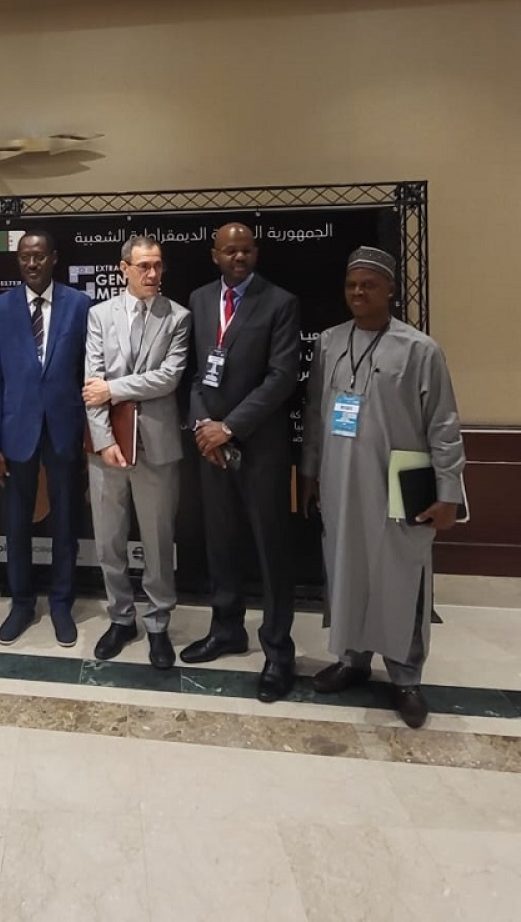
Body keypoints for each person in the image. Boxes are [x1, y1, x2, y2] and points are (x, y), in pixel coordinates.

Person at [300, 246, 466, 729]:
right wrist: (308, 474)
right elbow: (314, 414)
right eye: (352, 284)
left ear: (389, 289)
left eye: (369, 284)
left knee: (401, 579)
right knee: (347, 571)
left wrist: (449, 492)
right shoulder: (330, 342)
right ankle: (352, 661)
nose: (358, 292)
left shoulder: (419, 349)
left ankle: (407, 677)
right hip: (339, 481)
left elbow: (444, 424)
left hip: (399, 487)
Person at [181, 222, 302, 702]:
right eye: (229, 250)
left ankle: (277, 651)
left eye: (246, 250)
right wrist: (202, 427)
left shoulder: (280, 302)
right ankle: (226, 629)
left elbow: (281, 378)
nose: (238, 257)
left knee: (271, 550)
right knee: (221, 544)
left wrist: (229, 427)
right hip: (211, 448)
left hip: (260, 450)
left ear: (256, 252)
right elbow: (194, 373)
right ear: (214, 254)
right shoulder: (200, 299)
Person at [83, 237, 189, 670]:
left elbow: (168, 377)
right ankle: (120, 617)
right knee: (109, 541)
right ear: (123, 268)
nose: (152, 274)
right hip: (106, 450)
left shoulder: (177, 317)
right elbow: (91, 383)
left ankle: (159, 623)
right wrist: (105, 440)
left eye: (158, 266)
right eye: (144, 266)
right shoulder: (98, 315)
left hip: (156, 447)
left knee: (158, 541)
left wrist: (115, 388)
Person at [0, 230, 90, 646]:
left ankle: (62, 604)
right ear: (18, 261)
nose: (31, 264)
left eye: (39, 257)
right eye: (25, 257)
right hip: (15, 432)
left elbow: (88, 372)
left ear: (53, 259)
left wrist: (89, 435)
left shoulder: (80, 305)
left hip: (64, 430)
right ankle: (21, 603)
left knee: (65, 521)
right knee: (16, 524)